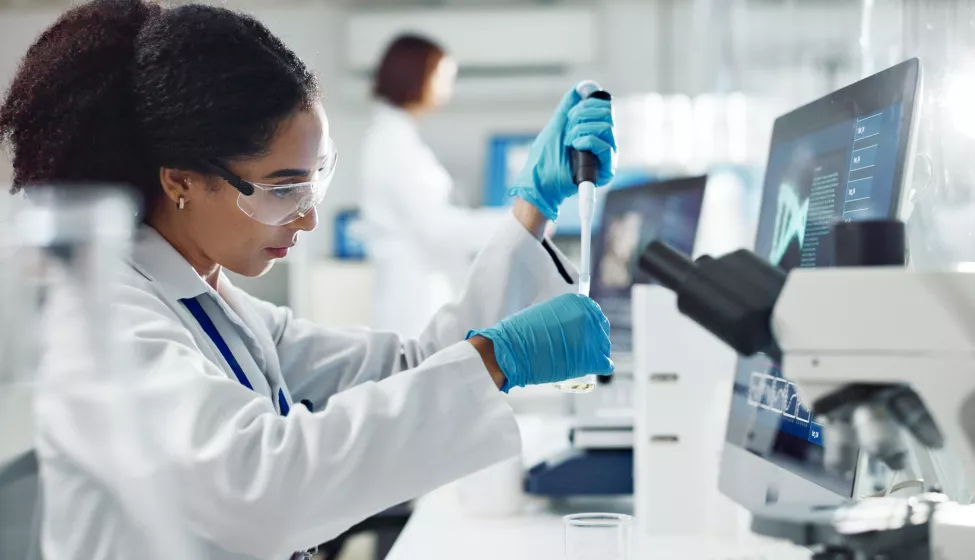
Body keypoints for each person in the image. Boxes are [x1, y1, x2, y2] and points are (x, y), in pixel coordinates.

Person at [0, 1, 617, 559]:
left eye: (316, 178)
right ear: (181, 180)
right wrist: (494, 360)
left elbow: (413, 363)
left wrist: (532, 207)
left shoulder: (209, 298)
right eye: (283, 188)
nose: (310, 215)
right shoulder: (105, 323)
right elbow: (263, 490)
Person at [361, 35, 507, 338]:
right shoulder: (393, 143)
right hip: (412, 296)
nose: (448, 87)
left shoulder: (398, 136)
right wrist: (517, 220)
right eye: (442, 75)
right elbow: (438, 228)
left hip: (419, 287)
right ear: (416, 75)